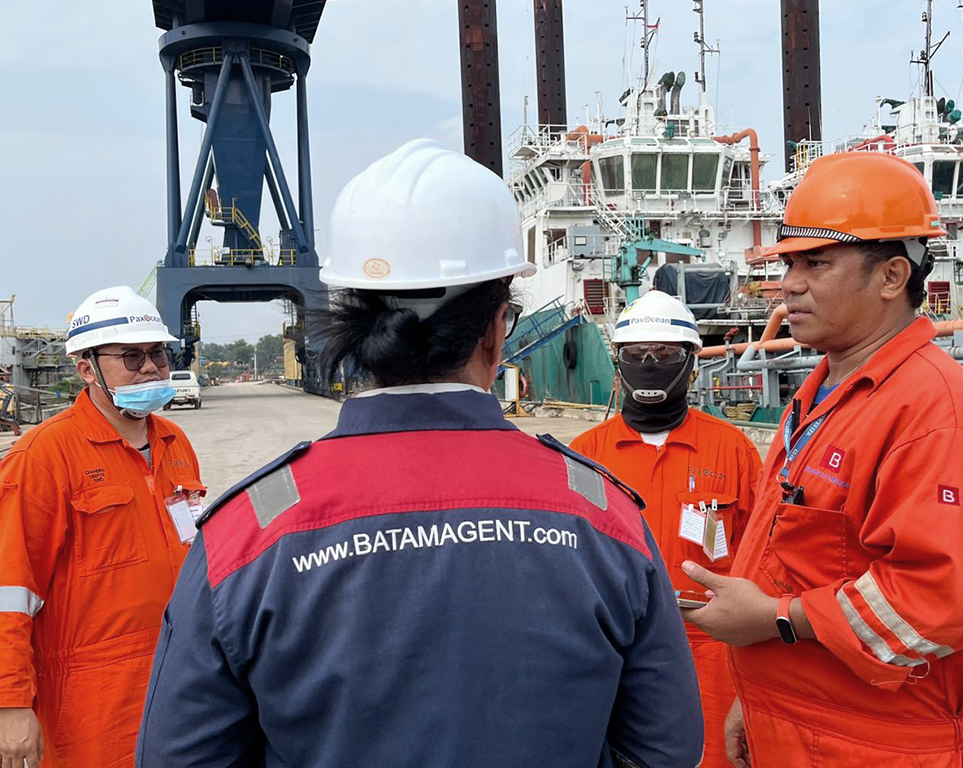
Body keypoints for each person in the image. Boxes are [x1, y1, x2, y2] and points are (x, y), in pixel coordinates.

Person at [136, 139, 704, 768]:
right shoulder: (603, 514)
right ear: (494, 331)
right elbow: (665, 748)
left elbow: (178, 755)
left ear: (347, 322)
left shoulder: (246, 536)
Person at [681, 151, 963, 767]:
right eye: (790, 262)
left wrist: (777, 621)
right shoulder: (819, 398)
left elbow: (948, 603)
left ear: (893, 276)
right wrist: (753, 701)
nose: (790, 283)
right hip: (795, 730)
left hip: (884, 746)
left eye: (817, 262)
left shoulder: (941, 417)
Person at [0, 286, 204, 768]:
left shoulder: (175, 441)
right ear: (86, 367)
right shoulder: (44, 458)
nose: (151, 366)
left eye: (157, 351)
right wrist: (10, 705)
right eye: (131, 357)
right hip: (91, 695)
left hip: (181, 678)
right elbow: (9, 588)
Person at [570, 289, 762, 768]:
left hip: (713, 653)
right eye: (636, 354)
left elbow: (765, 557)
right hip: (613, 652)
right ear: (619, 362)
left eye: (666, 354)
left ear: (692, 363)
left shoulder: (733, 451)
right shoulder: (584, 455)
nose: (650, 363)